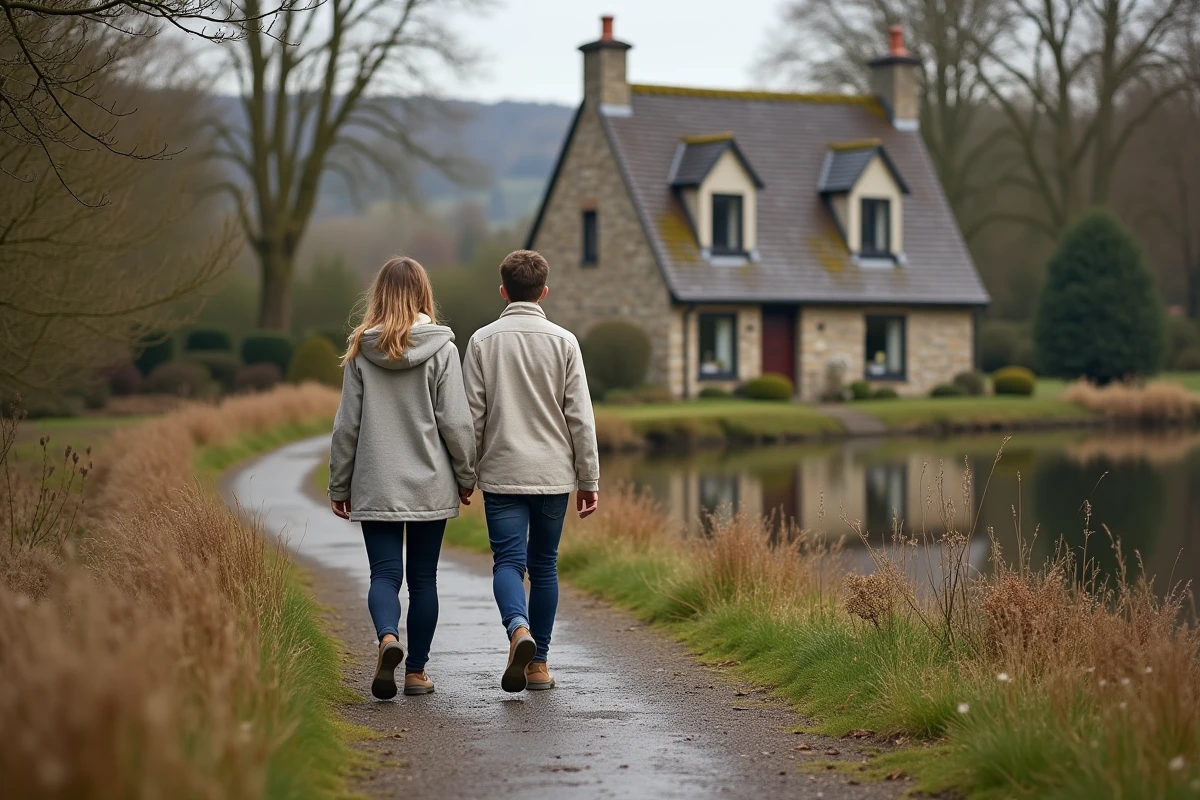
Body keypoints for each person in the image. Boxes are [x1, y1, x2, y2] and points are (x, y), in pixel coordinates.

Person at [328, 256, 476, 701]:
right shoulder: (444, 350)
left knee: (385, 574)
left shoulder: (361, 350)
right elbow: (456, 422)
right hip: (430, 482)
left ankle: (388, 638)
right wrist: (466, 474)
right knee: (424, 579)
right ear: (423, 294)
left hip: (377, 482)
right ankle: (416, 673)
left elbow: (346, 427)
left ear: (379, 295)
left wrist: (339, 485)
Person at [462, 249, 600, 693]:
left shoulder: (482, 341)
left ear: (503, 291)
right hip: (553, 476)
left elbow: (471, 417)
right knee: (544, 566)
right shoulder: (565, 342)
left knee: (508, 561)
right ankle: (538, 663)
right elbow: (579, 417)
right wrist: (589, 480)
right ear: (544, 291)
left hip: (502, 473)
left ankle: (517, 628)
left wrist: (465, 474)